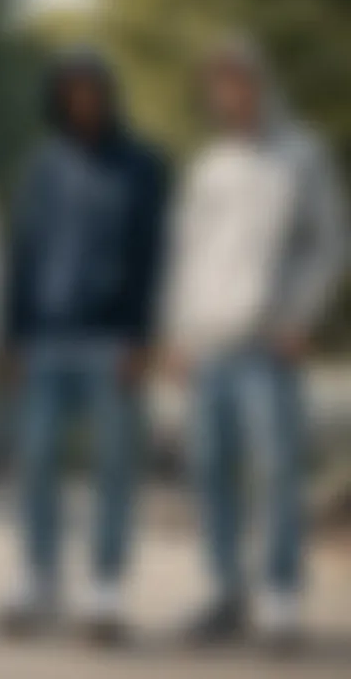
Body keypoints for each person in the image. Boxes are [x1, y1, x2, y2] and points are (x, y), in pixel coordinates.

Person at [163, 38, 348, 647]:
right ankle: (226, 594)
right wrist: (177, 335)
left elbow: (329, 242)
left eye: (240, 80)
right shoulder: (209, 166)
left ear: (261, 84)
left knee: (277, 472)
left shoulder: (302, 154)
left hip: (267, 344)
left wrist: (299, 314)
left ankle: (280, 600)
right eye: (220, 83)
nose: (231, 92)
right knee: (211, 473)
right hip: (207, 344)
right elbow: (185, 255)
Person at [0, 49, 170, 640]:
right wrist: (12, 337)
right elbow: (22, 251)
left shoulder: (143, 165)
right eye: (71, 91)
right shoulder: (42, 167)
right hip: (45, 340)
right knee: (38, 460)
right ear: (59, 98)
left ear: (108, 94)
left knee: (115, 468)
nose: (83, 100)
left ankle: (105, 587)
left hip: (112, 342)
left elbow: (154, 256)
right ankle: (40, 578)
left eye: (92, 90)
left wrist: (142, 337)